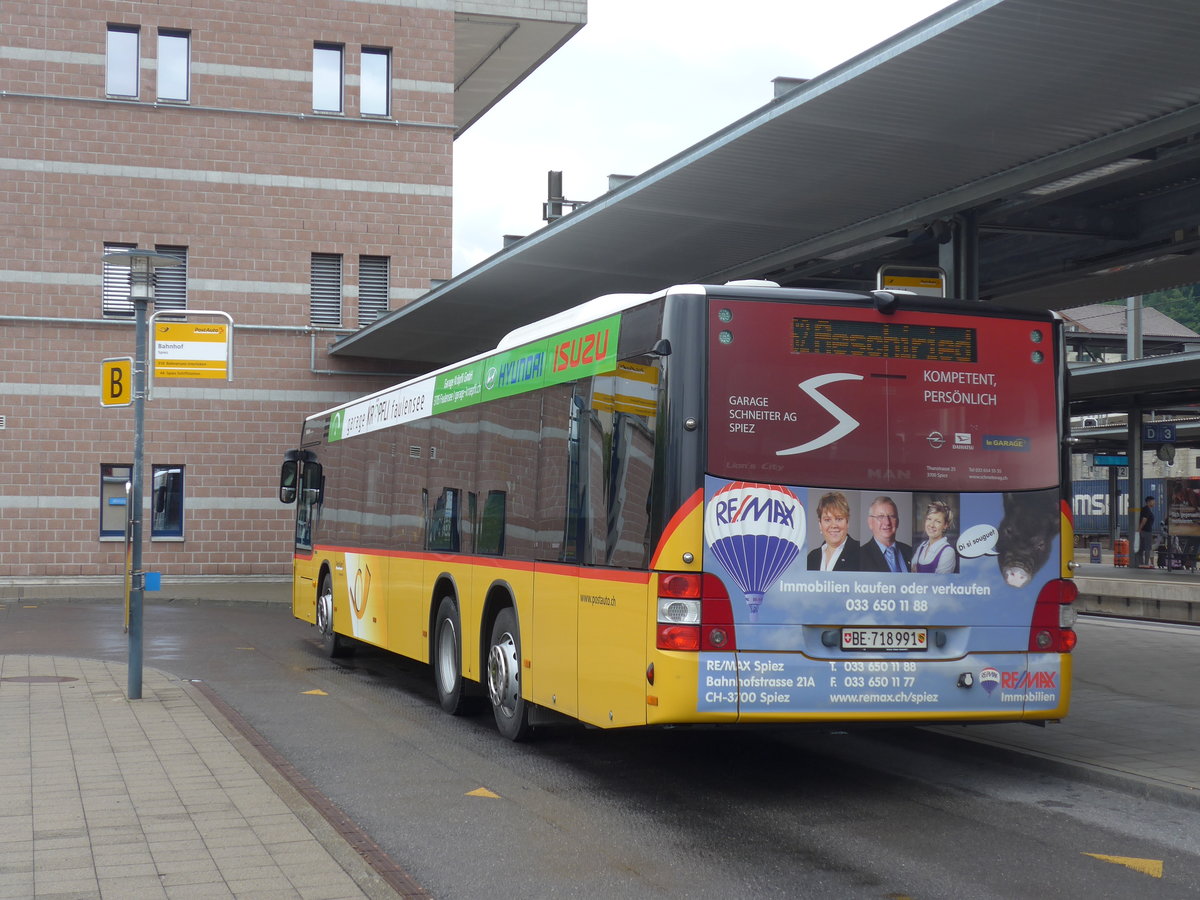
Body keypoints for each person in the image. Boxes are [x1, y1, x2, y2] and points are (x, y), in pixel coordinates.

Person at [807, 491, 860, 571]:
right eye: (827, 520)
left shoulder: (861, 553)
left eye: (839, 519)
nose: (833, 525)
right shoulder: (812, 557)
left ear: (847, 522)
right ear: (820, 524)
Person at [859, 496, 912, 573]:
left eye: (891, 516)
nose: (887, 522)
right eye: (880, 517)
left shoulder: (910, 552)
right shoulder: (859, 557)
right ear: (870, 522)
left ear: (897, 522)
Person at [911, 500, 958, 574]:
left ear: (945, 525)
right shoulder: (922, 547)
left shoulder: (947, 552)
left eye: (937, 521)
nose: (931, 525)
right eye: (929, 519)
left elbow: (938, 583)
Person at [1137, 495, 1156, 568]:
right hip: (1146, 532)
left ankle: (1142, 563)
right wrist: (1139, 529)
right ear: (1148, 502)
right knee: (1147, 548)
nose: (1154, 503)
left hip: (1144, 531)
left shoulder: (1146, 509)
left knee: (1141, 548)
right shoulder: (1147, 510)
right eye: (1153, 501)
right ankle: (1145, 564)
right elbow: (1144, 520)